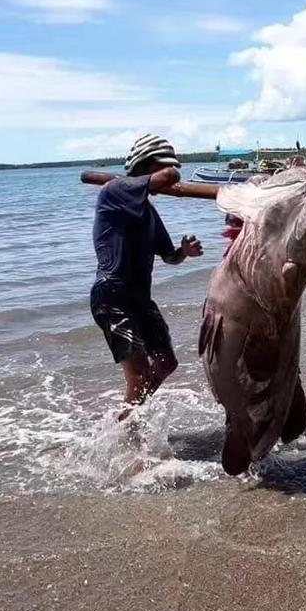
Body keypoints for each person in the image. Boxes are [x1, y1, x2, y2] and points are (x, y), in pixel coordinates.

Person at [90, 134, 203, 420]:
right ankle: (126, 434)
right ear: (143, 165)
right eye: (158, 164)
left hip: (140, 300)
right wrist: (170, 173)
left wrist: (184, 252)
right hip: (111, 296)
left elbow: (169, 256)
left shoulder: (149, 213)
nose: (168, 172)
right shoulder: (115, 190)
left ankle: (127, 418)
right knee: (138, 377)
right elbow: (170, 175)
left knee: (166, 363)